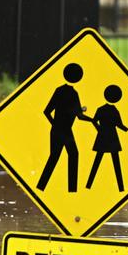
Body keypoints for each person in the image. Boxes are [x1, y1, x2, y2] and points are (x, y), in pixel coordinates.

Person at [36, 62, 92, 193]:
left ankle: (41, 187)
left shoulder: (59, 90)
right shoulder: (73, 93)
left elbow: (47, 111)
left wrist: (55, 124)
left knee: (57, 157)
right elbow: (79, 116)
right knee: (70, 155)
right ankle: (71, 190)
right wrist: (93, 120)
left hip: (58, 130)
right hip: (65, 131)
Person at [85, 84, 128, 192]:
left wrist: (99, 129)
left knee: (97, 161)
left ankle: (88, 185)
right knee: (116, 163)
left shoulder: (101, 109)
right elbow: (120, 125)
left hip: (102, 137)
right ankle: (121, 187)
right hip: (112, 137)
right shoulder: (115, 111)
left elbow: (94, 121)